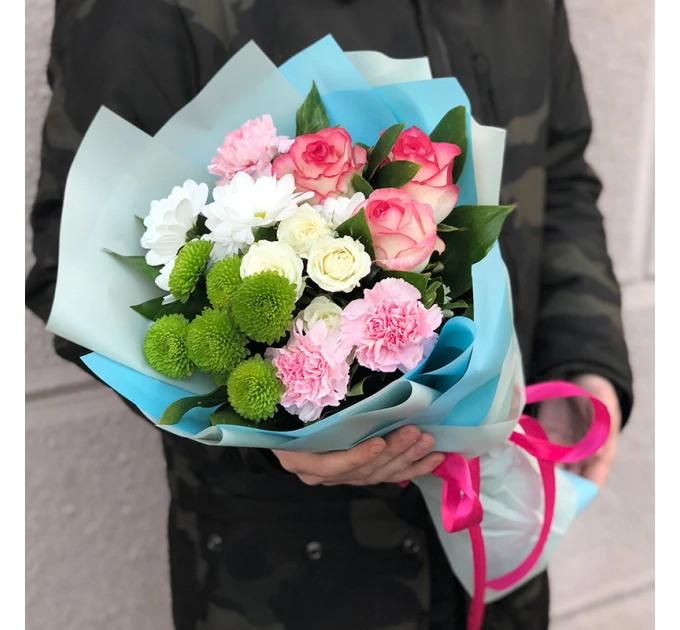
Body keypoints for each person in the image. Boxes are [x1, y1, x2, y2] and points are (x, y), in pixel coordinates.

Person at [26, 1, 633, 629]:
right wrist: (272, 432)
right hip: (292, 572)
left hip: (500, 526)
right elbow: (79, 263)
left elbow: (560, 176)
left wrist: (584, 358)